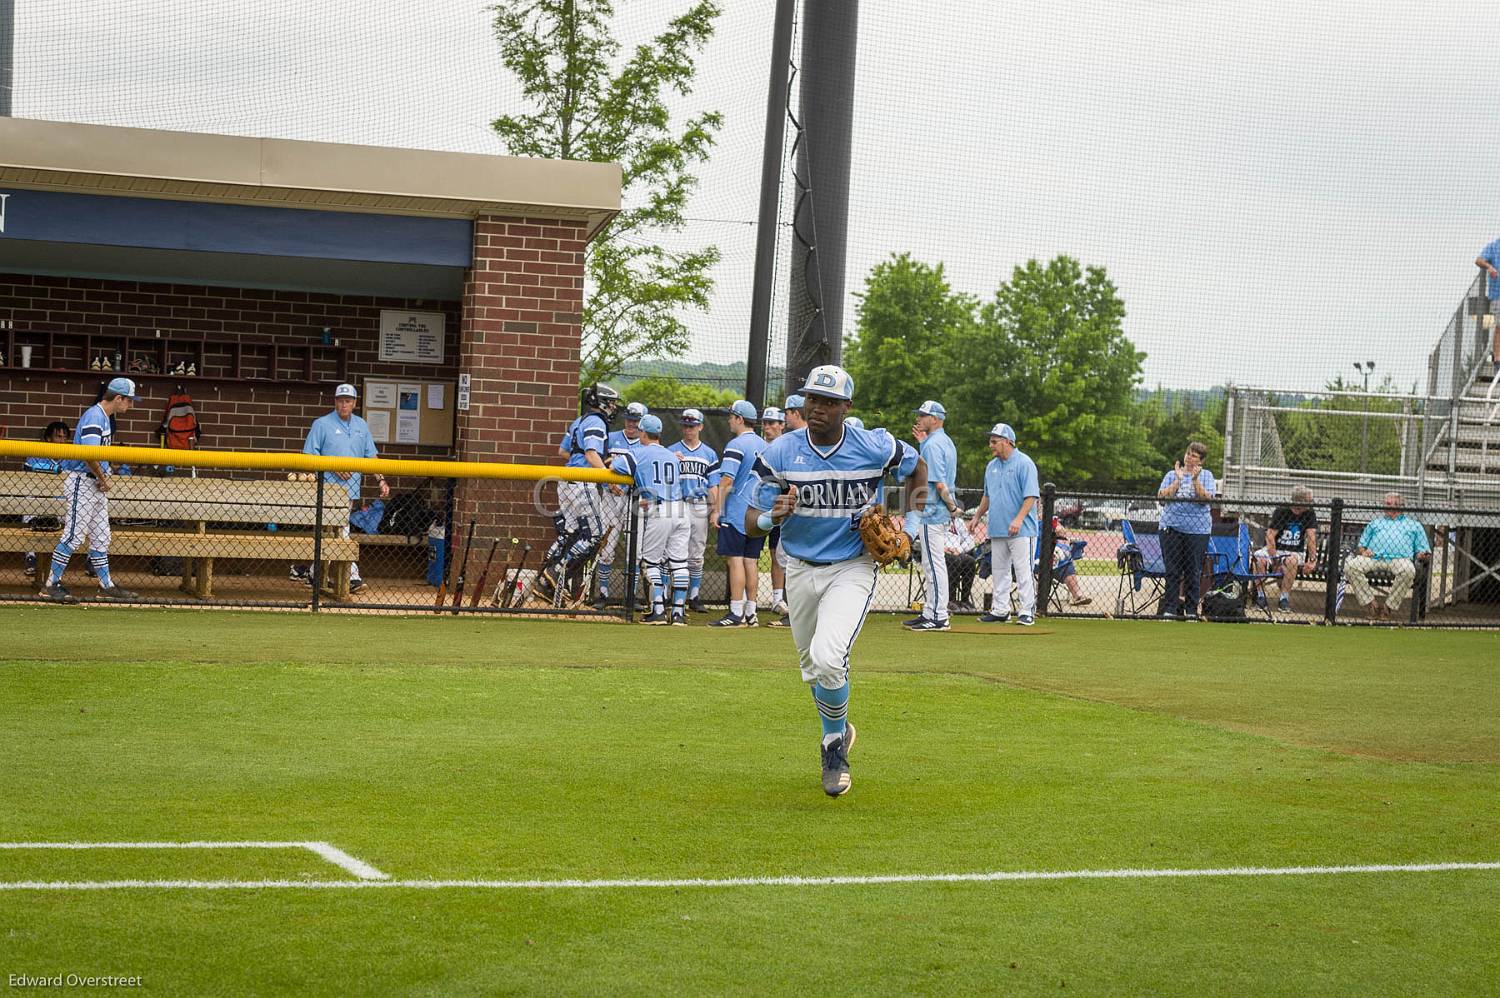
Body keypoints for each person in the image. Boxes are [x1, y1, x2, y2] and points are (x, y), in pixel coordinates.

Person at [744, 364, 925, 797]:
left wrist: (912, 526)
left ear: (847, 406)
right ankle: (839, 730)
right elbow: (749, 521)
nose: (818, 407)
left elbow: (917, 469)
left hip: (852, 567)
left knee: (828, 657)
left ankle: (832, 746)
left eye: (829, 401)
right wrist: (773, 514)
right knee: (812, 669)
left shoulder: (876, 445)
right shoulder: (780, 452)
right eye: (812, 399)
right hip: (799, 568)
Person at [40, 378, 141, 602]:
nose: (131, 405)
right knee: (74, 536)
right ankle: (51, 584)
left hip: (94, 483)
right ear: (118, 398)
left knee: (101, 537)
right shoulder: (95, 416)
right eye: (129, 400)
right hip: (83, 482)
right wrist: (102, 477)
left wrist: (102, 475)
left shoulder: (105, 417)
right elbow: (89, 455)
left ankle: (106, 584)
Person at [297, 383, 388, 594]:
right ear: (334, 401)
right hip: (325, 490)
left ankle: (313, 573)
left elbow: (371, 456)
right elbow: (309, 457)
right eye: (340, 400)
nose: (343, 404)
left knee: (335, 533)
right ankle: (353, 576)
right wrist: (333, 465)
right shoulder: (321, 424)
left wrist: (381, 480)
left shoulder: (361, 425)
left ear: (354, 403)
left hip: (349, 491)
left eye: (348, 400)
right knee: (339, 532)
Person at [610, 415, 690, 626]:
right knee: (679, 563)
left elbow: (615, 467)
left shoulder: (638, 452)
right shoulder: (672, 455)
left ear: (643, 433)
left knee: (651, 562)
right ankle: (679, 613)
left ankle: (658, 611)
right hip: (682, 509)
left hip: (660, 508)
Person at [544, 383, 618, 597]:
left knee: (569, 532)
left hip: (567, 481)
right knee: (593, 536)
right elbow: (590, 454)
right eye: (611, 403)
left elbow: (563, 451)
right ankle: (556, 572)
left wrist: (592, 461)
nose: (613, 407)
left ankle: (544, 576)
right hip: (582, 483)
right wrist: (605, 476)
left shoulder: (580, 420)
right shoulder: (596, 421)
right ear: (602, 402)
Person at [970, 423, 1040, 625]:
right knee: (999, 570)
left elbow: (1031, 496)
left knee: (1023, 570)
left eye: (994, 441)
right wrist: (976, 517)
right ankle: (1001, 610)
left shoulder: (1024, 463)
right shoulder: (991, 466)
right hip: (998, 528)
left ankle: (1027, 611)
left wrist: (1018, 519)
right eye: (990, 441)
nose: (990, 445)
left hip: (1022, 530)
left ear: (1007, 442)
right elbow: (987, 496)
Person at [904, 400, 961, 632]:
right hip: (937, 512)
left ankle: (938, 615)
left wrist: (952, 507)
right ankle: (930, 611)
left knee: (934, 566)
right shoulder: (943, 442)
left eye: (923, 415)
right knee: (932, 565)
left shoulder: (933, 444)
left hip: (931, 513)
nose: (919, 418)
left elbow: (938, 483)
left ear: (935, 419)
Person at [708, 400, 766, 627]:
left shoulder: (736, 444)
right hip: (759, 513)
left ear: (740, 419)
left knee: (735, 561)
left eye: (732, 416)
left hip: (737, 512)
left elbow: (727, 480)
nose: (729, 420)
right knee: (751, 561)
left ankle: (735, 612)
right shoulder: (765, 446)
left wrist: (717, 510)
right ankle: (751, 612)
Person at [594, 401, 650, 607]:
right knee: (607, 548)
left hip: (634, 499)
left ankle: (631, 596)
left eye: (635, 420)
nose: (631, 423)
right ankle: (602, 594)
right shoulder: (612, 438)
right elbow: (598, 463)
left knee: (634, 551)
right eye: (628, 418)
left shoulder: (647, 444)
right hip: (610, 497)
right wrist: (607, 482)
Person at [1345, 492, 1431, 621]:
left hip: (1400, 559)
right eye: (1386, 504)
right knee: (1351, 566)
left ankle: (1387, 607)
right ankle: (1372, 604)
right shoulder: (1375, 523)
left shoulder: (1414, 525)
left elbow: (1423, 551)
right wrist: (1364, 552)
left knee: (1409, 570)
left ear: (1401, 506)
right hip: (1374, 558)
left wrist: (1422, 555)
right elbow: (1362, 545)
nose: (1388, 506)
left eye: (1391, 504)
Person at [1155, 441, 1216, 621]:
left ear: (1201, 461)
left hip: (1197, 531)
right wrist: (1178, 480)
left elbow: (1206, 499)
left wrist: (1195, 480)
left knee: (1193, 570)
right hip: (1171, 528)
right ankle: (1170, 609)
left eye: (1194, 456)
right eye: (1188, 454)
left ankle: (1191, 610)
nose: (1189, 457)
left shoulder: (1207, 476)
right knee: (1172, 571)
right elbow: (1162, 497)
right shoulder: (1171, 474)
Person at [668, 407, 718, 613]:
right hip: (677, 503)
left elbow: (713, 484)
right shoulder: (671, 450)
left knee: (696, 553)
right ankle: (672, 594)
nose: (688, 429)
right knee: (672, 550)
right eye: (685, 426)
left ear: (700, 427)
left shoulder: (709, 453)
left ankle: (694, 596)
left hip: (698, 505)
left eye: (692, 426)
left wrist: (715, 509)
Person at [1253, 485, 1319, 612]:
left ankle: (1284, 599)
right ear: (1300, 502)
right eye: (1309, 501)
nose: (1311, 504)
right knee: (1259, 558)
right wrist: (1275, 560)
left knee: (1292, 560)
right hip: (1275, 549)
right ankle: (1261, 597)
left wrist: (1312, 561)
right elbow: (1270, 536)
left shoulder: (1310, 513)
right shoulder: (1282, 511)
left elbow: (1311, 537)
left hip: (1294, 551)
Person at [22, 420, 70, 581]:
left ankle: (84, 562)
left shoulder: (73, 455)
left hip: (63, 504)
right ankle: (31, 557)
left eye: (64, 437)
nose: (61, 440)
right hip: (40, 502)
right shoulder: (37, 453)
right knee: (29, 501)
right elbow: (29, 477)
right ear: (49, 439)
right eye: (58, 437)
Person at [760, 405, 791, 626]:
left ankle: (778, 599)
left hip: (781, 510)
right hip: (760, 508)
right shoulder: (760, 447)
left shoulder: (787, 448)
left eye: (772, 423)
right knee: (750, 556)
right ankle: (746, 603)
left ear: (782, 425)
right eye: (765, 422)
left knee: (777, 555)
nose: (768, 427)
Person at [1047, 517, 1093, 608]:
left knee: (1065, 561)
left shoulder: (1046, 513)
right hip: (1032, 557)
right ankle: (1036, 596)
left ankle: (1077, 596)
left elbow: (1061, 529)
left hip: (1051, 559)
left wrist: (1057, 528)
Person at [1474, 239, 1500, 363]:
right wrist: (1489, 267)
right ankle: (1498, 358)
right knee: (1499, 325)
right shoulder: (1494, 246)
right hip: (1497, 294)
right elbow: (1478, 260)